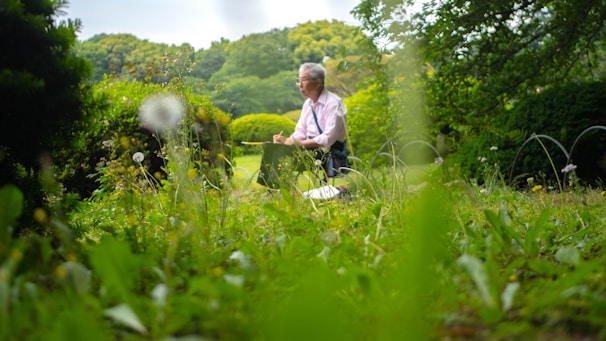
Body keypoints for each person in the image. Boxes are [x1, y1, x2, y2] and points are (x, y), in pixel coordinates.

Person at [257, 62, 348, 188]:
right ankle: (270, 187)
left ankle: (278, 190)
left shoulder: (334, 103)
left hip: (328, 151)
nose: (300, 85)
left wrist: (300, 143)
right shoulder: (307, 104)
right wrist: (287, 140)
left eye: (304, 80)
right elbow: (300, 132)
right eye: (298, 80)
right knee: (271, 147)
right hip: (309, 148)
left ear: (317, 82)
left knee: (281, 152)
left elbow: (328, 138)